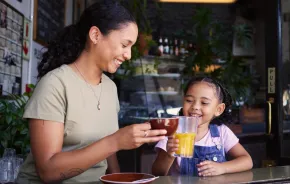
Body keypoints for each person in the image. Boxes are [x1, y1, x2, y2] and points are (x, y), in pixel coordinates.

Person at [16, 1, 167, 183]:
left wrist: (118, 179)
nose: (128, 55)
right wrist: (116, 141)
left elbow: (107, 155)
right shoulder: (55, 84)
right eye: (125, 45)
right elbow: (48, 171)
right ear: (95, 35)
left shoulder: (110, 88)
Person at [152, 77, 253, 177]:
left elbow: (247, 160)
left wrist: (222, 168)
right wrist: (168, 156)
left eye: (204, 102)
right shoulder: (173, 130)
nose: (195, 106)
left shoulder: (221, 132)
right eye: (189, 100)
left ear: (219, 109)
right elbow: (157, 173)